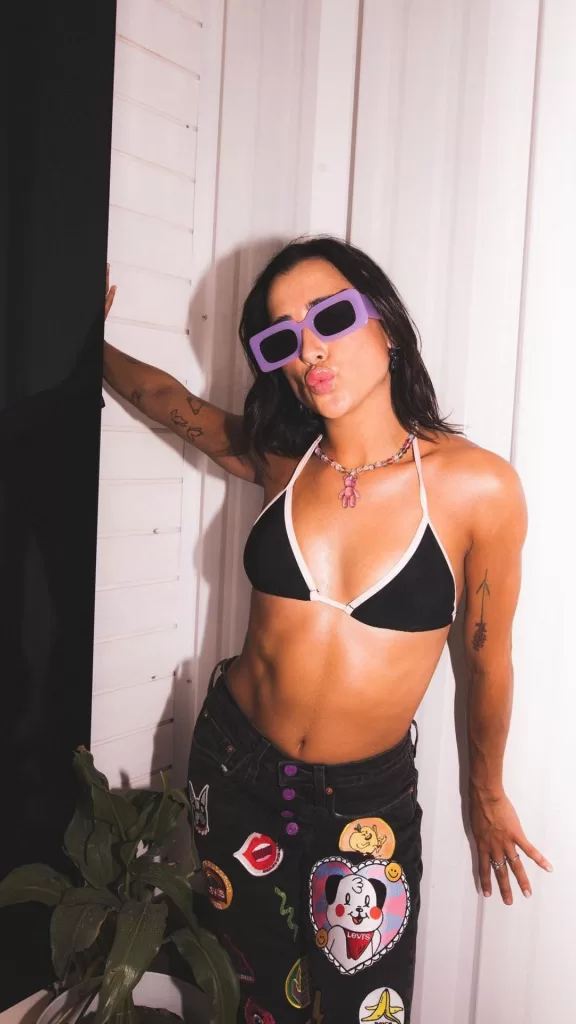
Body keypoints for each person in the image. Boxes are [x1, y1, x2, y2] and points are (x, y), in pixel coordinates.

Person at [103, 240, 552, 1023]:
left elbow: (488, 663)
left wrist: (486, 792)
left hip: (364, 803)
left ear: (387, 326)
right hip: (233, 767)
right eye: (281, 337)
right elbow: (168, 400)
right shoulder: (284, 460)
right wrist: (90, 342)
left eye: (330, 318)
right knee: (252, 1001)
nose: (307, 348)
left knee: (363, 1008)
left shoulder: (477, 488)